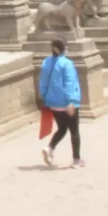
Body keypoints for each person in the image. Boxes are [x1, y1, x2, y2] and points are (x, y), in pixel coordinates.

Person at [36, 39, 82, 168]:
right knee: (74, 131)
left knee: (62, 129)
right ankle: (76, 160)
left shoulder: (46, 62)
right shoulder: (67, 64)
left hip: (53, 103)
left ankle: (49, 148)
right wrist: (72, 101)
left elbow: (43, 83)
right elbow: (69, 83)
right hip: (67, 103)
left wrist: (46, 98)